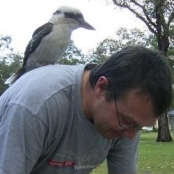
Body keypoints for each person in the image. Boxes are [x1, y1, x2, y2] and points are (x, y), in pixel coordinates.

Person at [0, 45, 172, 174]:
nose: (131, 135)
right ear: (101, 87)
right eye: (127, 122)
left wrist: (129, 124)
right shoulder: (37, 104)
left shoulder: (128, 117)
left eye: (138, 127)